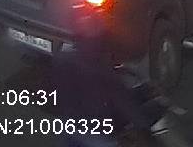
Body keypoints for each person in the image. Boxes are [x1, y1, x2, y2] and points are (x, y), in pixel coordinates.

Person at [52, 11, 150, 146]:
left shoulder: (63, 59)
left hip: (70, 126)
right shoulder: (100, 68)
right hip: (96, 133)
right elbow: (122, 100)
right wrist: (144, 126)